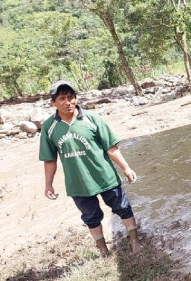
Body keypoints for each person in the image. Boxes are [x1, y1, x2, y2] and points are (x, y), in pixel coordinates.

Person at [39, 80, 142, 257]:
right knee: (90, 217)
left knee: (123, 207)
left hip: (105, 176)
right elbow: (50, 160)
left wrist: (126, 168)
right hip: (78, 183)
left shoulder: (92, 119)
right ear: (53, 103)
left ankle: (134, 240)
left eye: (71, 97)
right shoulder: (49, 127)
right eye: (62, 98)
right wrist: (48, 184)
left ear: (76, 99)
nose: (67, 102)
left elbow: (111, 147)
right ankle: (103, 250)